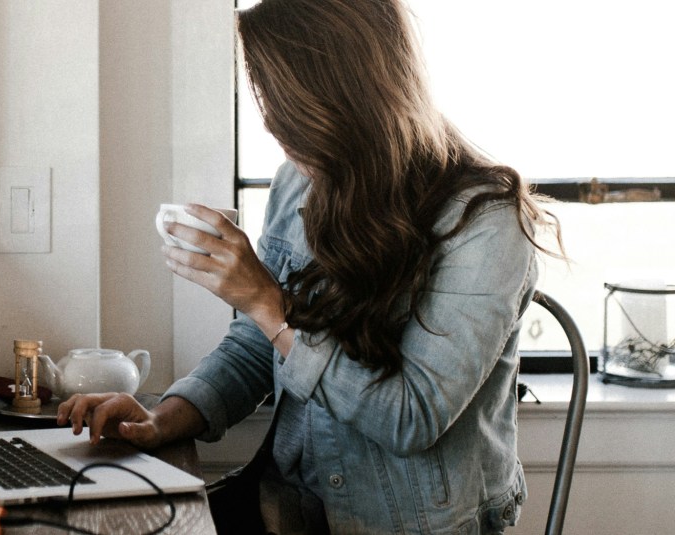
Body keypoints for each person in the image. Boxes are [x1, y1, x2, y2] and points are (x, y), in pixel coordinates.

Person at [58, 0, 561, 533]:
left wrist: (264, 301)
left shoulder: (487, 223)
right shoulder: (301, 181)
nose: (274, 126)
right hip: (287, 506)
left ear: (339, 96)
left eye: (283, 107)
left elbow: (410, 418)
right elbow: (257, 348)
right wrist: (161, 418)